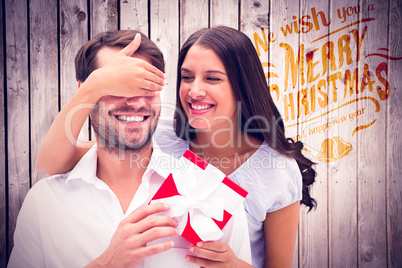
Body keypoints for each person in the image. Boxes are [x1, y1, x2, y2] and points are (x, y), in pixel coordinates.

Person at [35, 26, 316, 268]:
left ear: (242, 86)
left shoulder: (277, 170)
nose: (194, 91)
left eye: (213, 78)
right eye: (186, 77)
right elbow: (52, 163)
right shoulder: (160, 135)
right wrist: (94, 85)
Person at [8, 30, 252, 268]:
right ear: (86, 92)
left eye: (147, 87)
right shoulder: (44, 203)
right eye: (118, 87)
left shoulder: (210, 193)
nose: (136, 102)